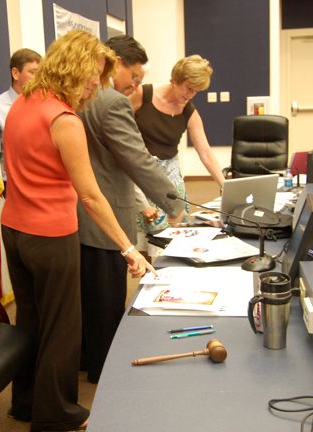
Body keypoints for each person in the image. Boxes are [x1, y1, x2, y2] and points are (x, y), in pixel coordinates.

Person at [1, 30, 155, 432]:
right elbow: (90, 196)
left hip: (14, 230)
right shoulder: (63, 118)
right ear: (73, 67)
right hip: (50, 236)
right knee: (62, 328)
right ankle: (58, 415)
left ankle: (25, 404)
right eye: (92, 75)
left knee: (31, 320)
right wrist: (127, 247)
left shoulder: (23, 101)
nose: (94, 85)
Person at [76, 35, 185, 384]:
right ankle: (105, 377)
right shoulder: (111, 102)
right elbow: (138, 161)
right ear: (116, 62)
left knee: (86, 302)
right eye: (134, 77)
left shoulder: (77, 98)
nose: (135, 85)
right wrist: (174, 202)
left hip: (76, 215)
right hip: (106, 217)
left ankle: (85, 361)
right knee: (106, 306)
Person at [129, 55, 225, 252]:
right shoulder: (143, 94)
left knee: (175, 243)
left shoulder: (188, 110)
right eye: (188, 88)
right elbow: (118, 125)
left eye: (196, 91)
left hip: (171, 178)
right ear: (175, 79)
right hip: (142, 174)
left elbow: (205, 152)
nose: (190, 95)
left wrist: (225, 185)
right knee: (144, 244)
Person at [0, 48, 42, 191]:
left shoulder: (43, 106)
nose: (38, 79)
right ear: (15, 73)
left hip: (40, 183)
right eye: (32, 73)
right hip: (11, 186)